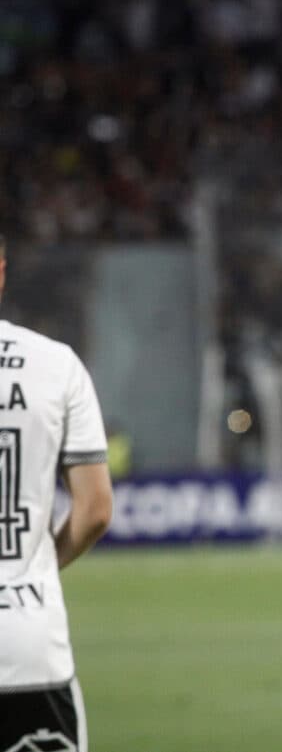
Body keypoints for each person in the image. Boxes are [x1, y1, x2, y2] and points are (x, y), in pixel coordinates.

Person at [0, 232, 114, 752]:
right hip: (30, 645)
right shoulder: (55, 363)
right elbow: (94, 510)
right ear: (2, 273)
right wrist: (39, 565)